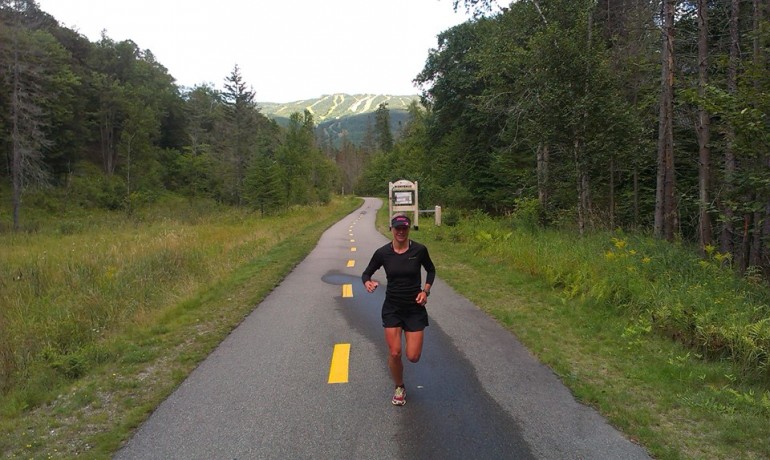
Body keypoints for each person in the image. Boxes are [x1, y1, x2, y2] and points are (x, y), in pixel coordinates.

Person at [362, 213, 436, 406]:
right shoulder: (382, 253)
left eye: (404, 228)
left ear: (408, 229)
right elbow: (366, 273)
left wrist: (425, 291)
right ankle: (399, 386)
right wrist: (367, 282)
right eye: (397, 228)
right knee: (395, 352)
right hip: (392, 307)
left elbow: (431, 270)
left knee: (413, 356)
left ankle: (400, 373)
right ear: (392, 229)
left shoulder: (419, 250)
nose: (401, 231)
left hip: (414, 308)